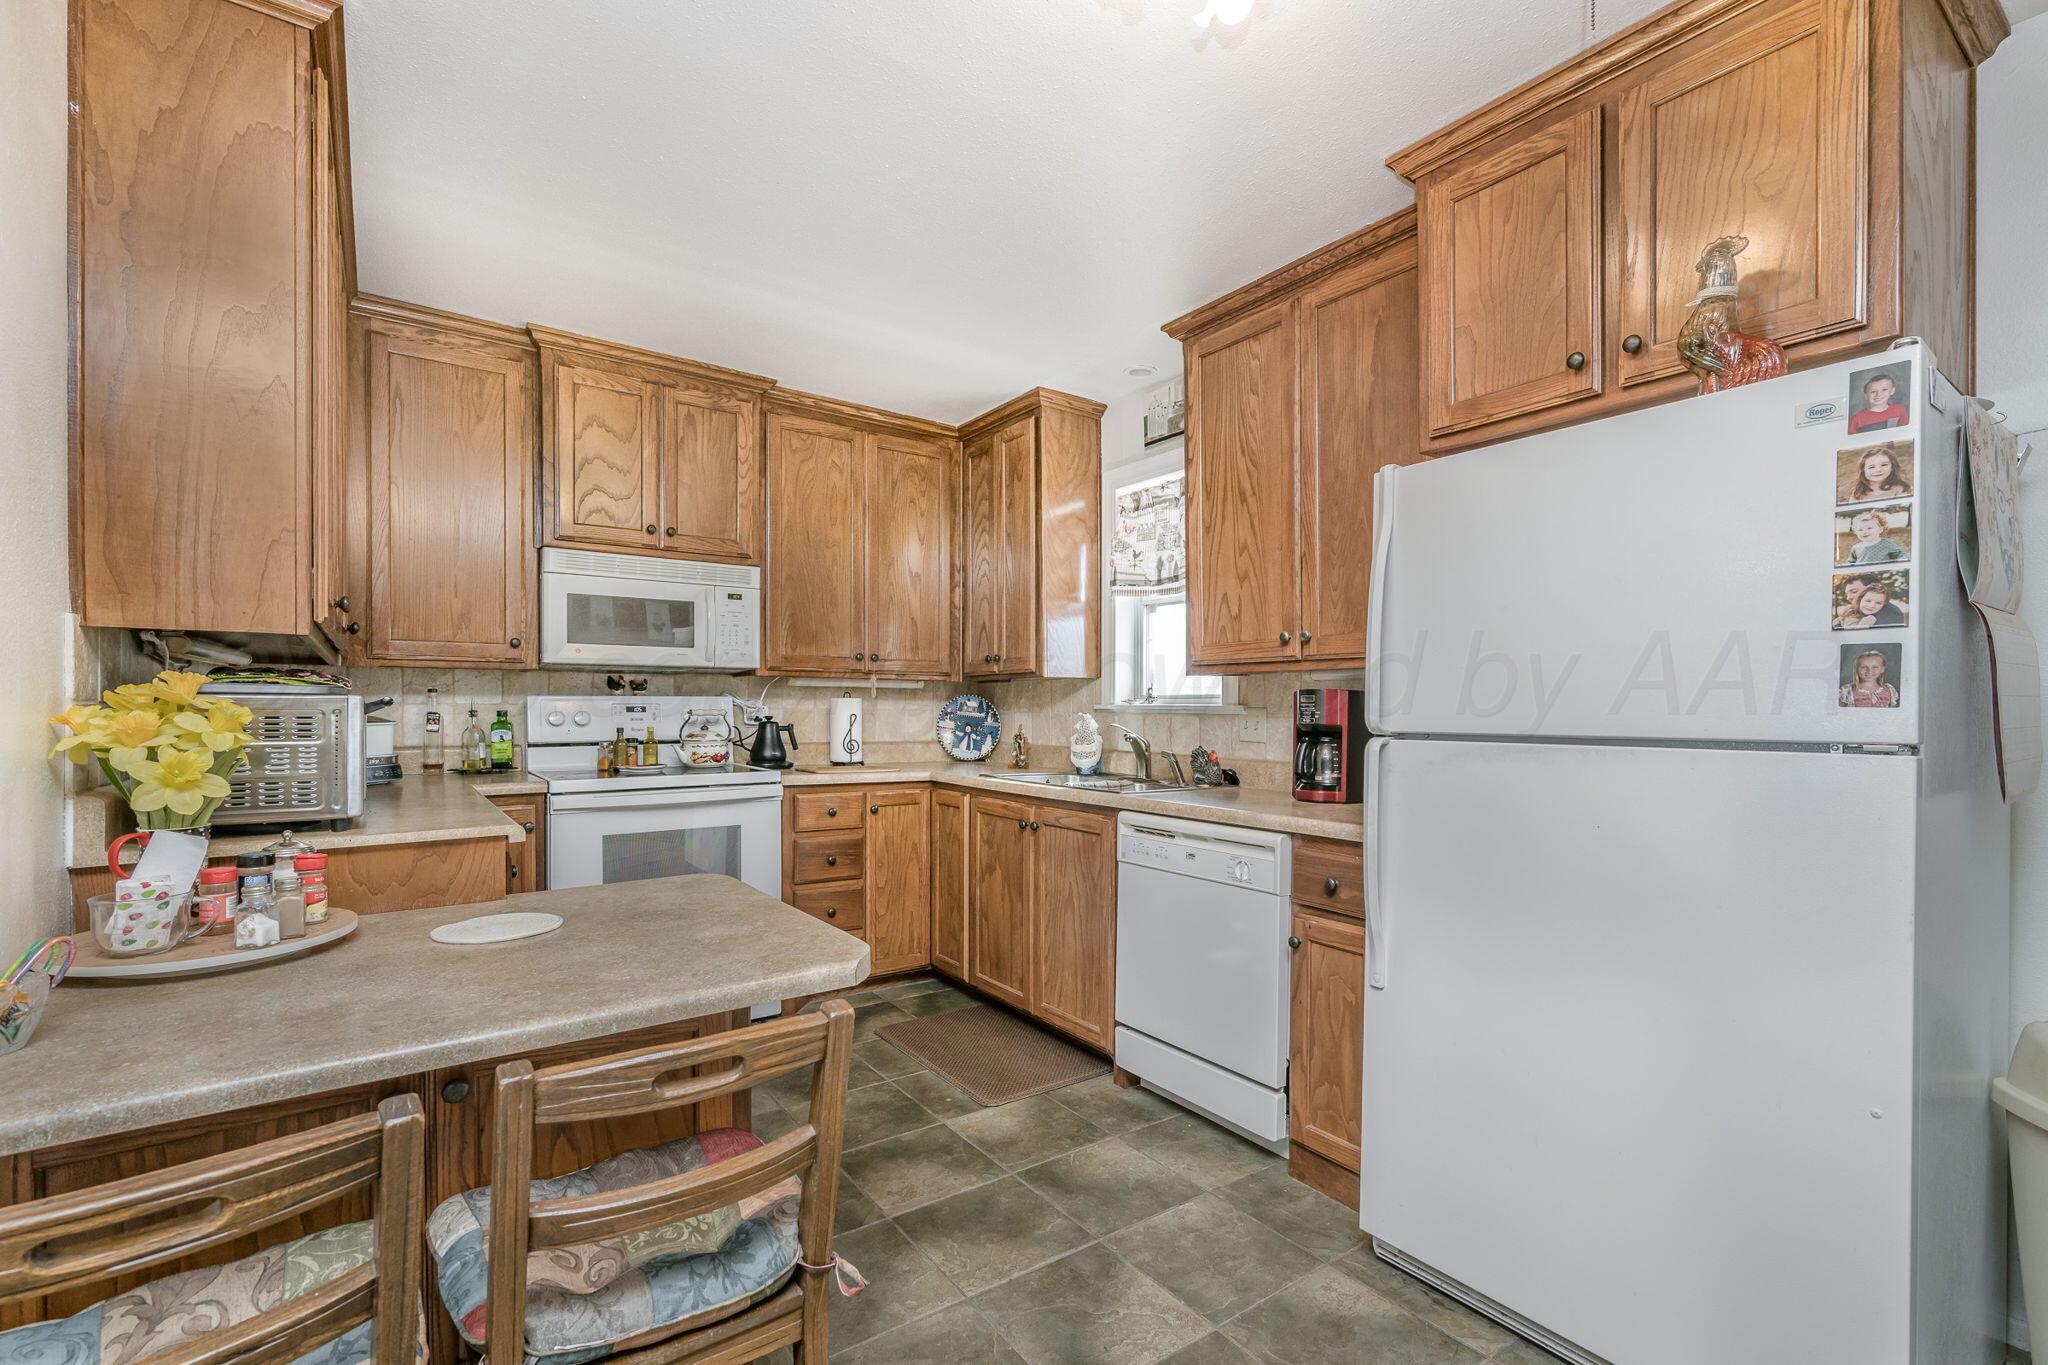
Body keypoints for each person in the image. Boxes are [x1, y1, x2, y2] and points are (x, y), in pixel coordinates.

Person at [1847, 444, 1912, 502]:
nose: (1878, 470)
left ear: (1892, 467)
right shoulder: (1858, 492)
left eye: (1884, 465)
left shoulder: (1899, 489)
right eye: (1871, 467)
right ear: (1863, 471)